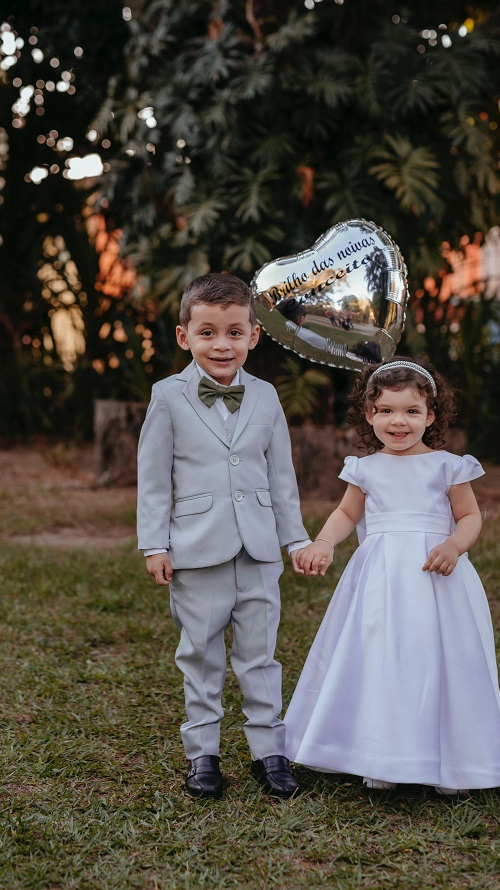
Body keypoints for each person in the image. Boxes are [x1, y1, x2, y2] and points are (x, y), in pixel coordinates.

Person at [286, 356, 500, 794]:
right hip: (381, 582)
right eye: (386, 410)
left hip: (437, 579)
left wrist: (454, 545)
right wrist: (323, 542)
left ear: (430, 416)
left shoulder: (448, 466)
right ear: (368, 414)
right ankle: (382, 755)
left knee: (444, 662)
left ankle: (455, 763)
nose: (399, 421)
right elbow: (346, 513)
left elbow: (469, 516)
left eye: (412, 411)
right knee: (382, 660)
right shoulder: (365, 468)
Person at [137, 273, 309, 800]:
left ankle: (269, 752)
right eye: (207, 332)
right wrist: (155, 544)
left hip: (259, 549)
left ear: (253, 336)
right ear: (184, 336)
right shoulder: (167, 397)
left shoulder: (266, 396)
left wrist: (295, 539)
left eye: (234, 332)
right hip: (196, 549)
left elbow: (281, 477)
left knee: (260, 655)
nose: (221, 344)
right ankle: (203, 755)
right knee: (201, 655)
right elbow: (153, 477)